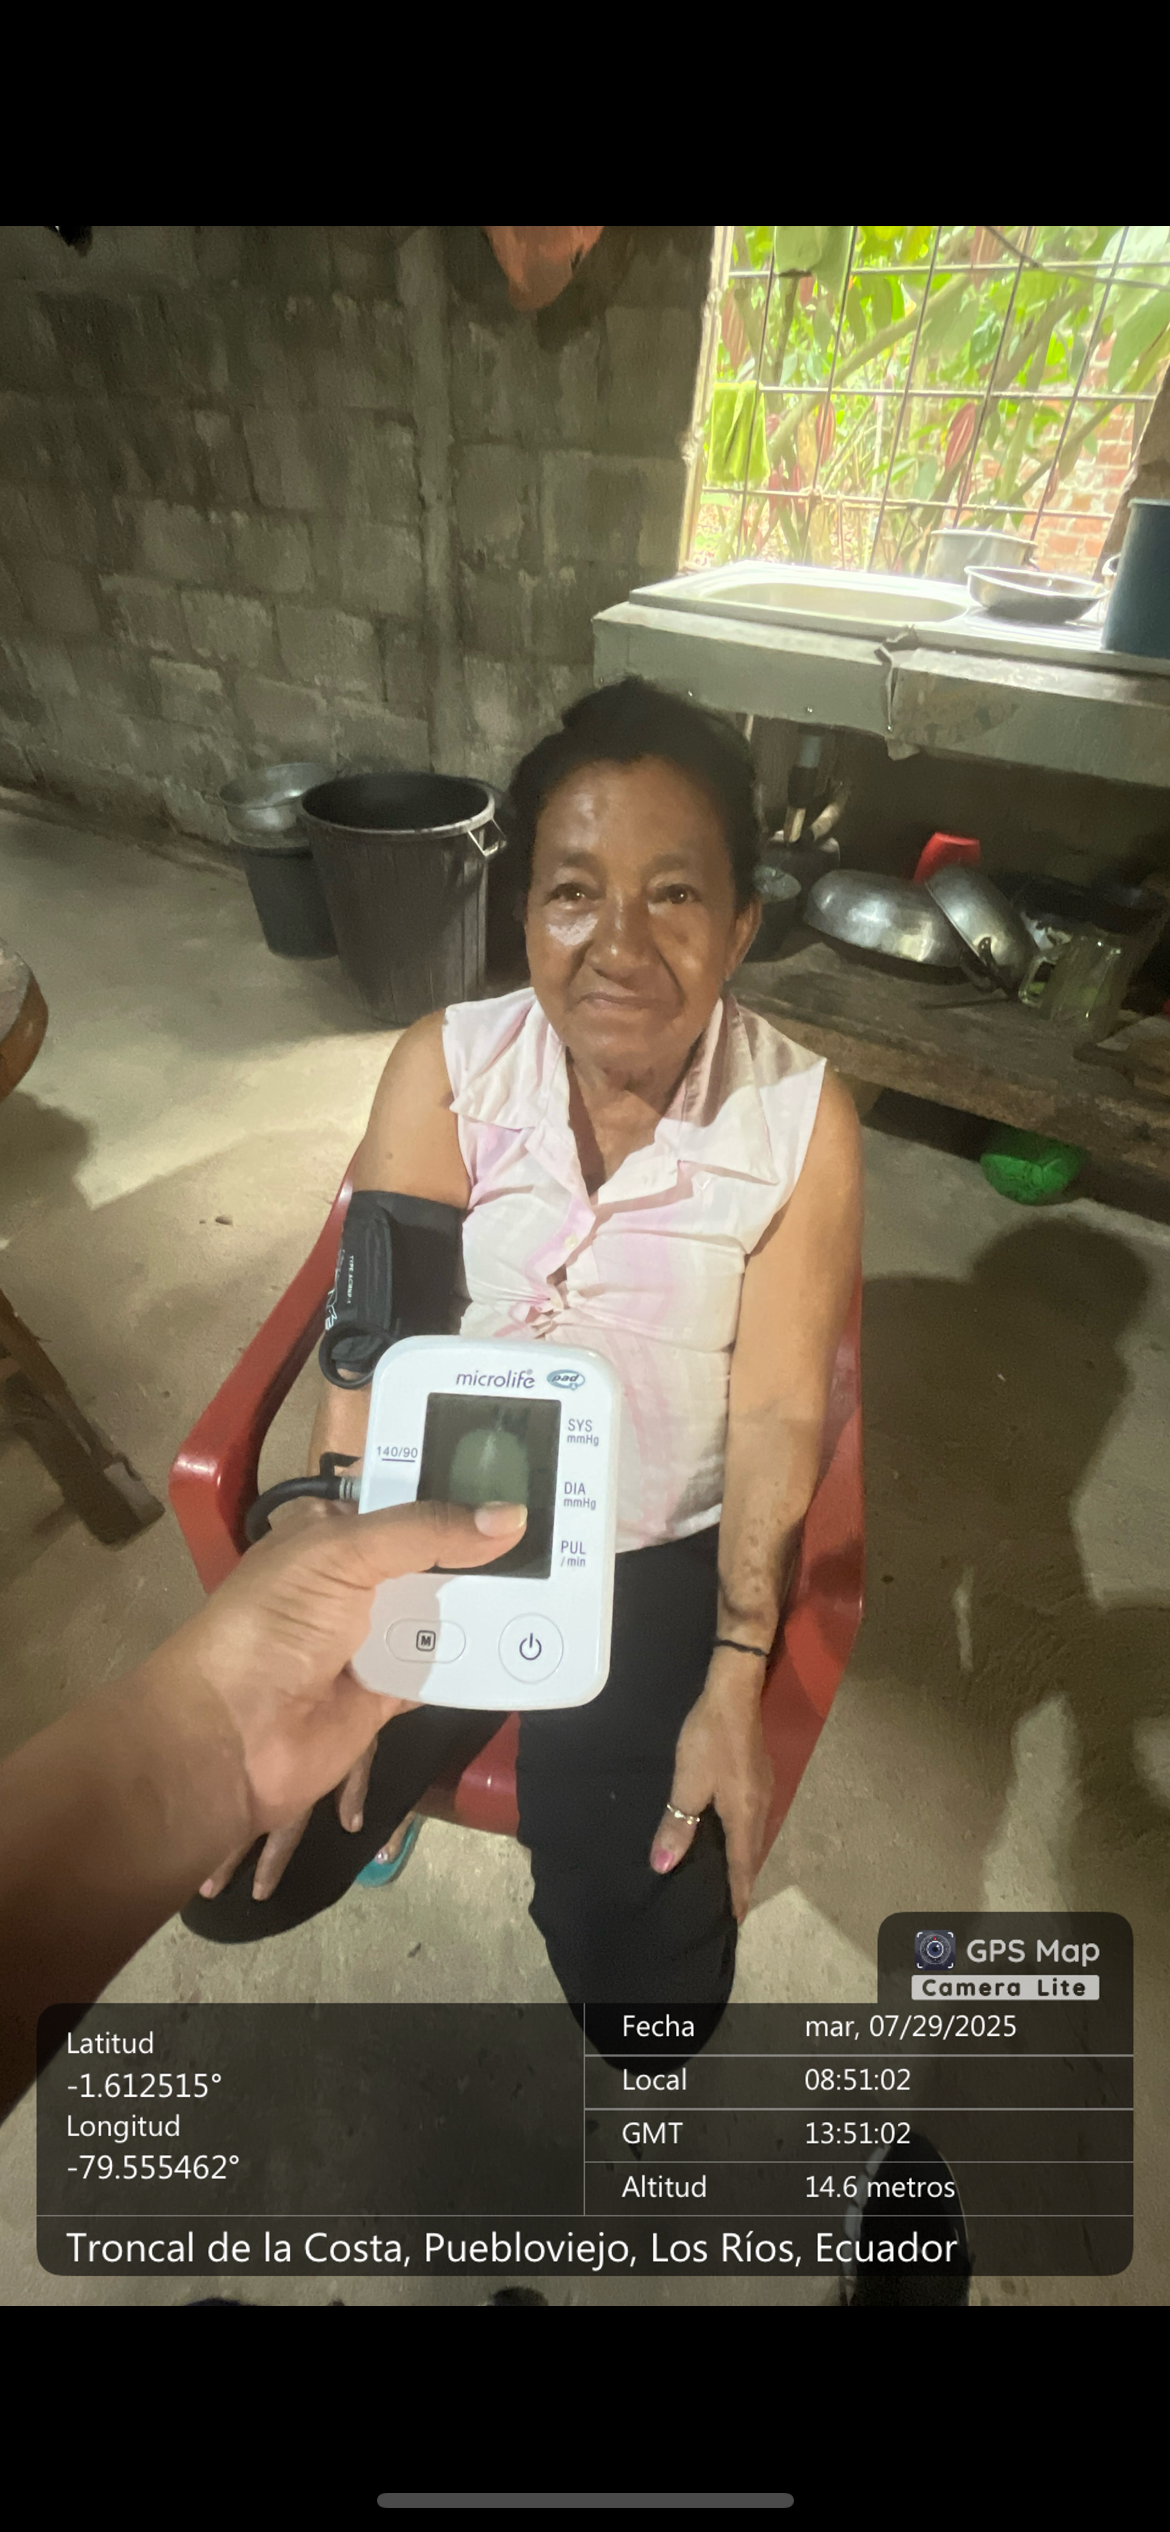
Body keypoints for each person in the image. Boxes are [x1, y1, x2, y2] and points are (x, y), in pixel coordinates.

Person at [186, 677, 863, 2011]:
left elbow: (782, 1408)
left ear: (741, 924)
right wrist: (337, 1583)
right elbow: (371, 1347)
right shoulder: (448, 1063)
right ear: (524, 912)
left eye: (674, 894)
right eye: (572, 893)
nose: (618, 945)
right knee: (224, 1875)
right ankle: (421, 1746)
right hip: (440, 1508)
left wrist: (736, 1668)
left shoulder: (798, 1119)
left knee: (654, 2007)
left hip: (650, 1550)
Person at [0, 1495, 527, 2123]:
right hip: (425, 1570)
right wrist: (226, 1749)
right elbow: (343, 1452)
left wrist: (198, 1757)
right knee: (233, 1896)